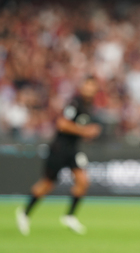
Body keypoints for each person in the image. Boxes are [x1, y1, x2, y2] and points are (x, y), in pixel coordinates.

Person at [16, 76, 102, 236]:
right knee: (47, 184)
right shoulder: (74, 103)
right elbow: (62, 124)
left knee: (83, 181)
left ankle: (69, 216)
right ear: (82, 86)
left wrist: (91, 131)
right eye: (88, 85)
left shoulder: (89, 106)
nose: (90, 89)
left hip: (73, 149)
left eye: (93, 86)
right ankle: (24, 213)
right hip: (59, 149)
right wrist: (85, 131)